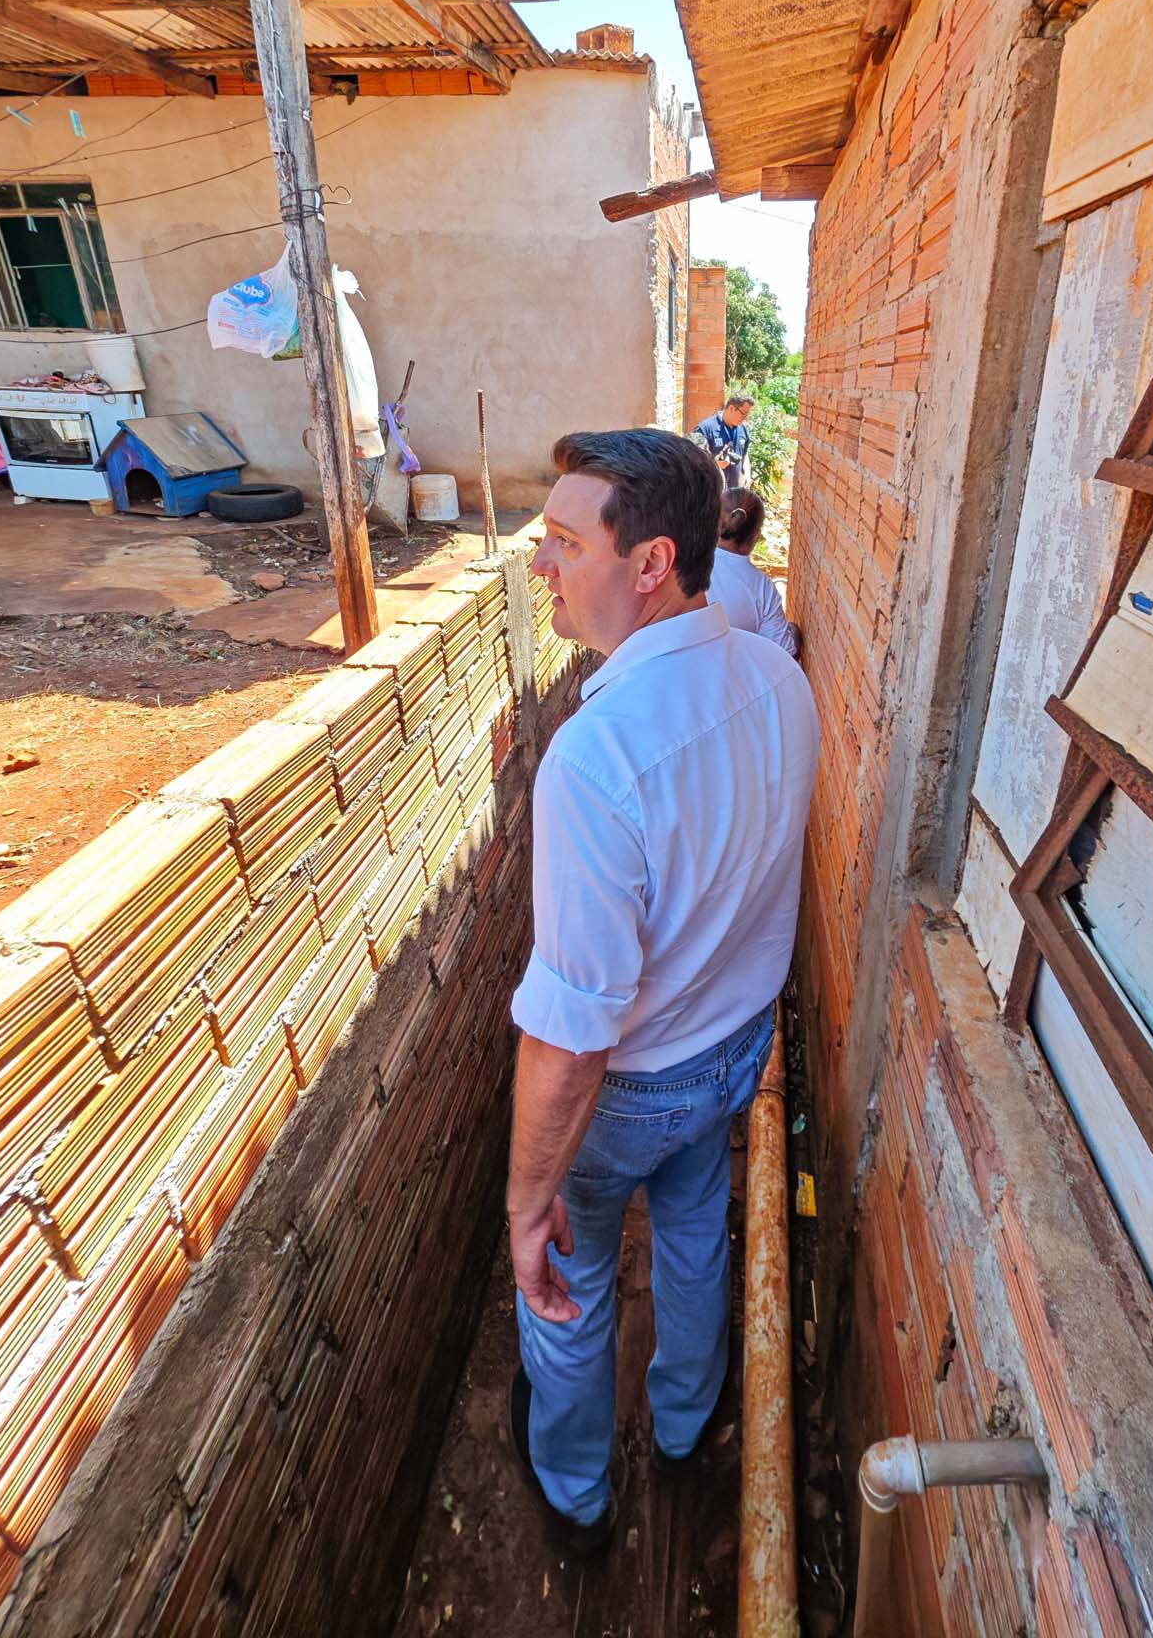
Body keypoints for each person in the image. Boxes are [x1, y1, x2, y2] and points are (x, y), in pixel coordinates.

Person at [506, 428, 819, 1552]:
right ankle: (686, 1427)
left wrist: (523, 1202)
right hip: (735, 1049)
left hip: (632, 1087)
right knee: (694, 1234)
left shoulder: (596, 757)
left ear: (649, 563)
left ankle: (578, 1494)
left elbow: (573, 1029)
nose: (540, 565)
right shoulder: (779, 678)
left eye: (560, 541)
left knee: (564, 1280)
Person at [707, 488, 800, 657]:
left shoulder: (683, 563)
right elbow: (783, 654)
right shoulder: (762, 588)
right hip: (731, 678)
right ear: (756, 538)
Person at [690, 393, 754, 489]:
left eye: (748, 414)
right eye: (744, 414)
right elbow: (692, 463)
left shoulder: (743, 429)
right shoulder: (705, 429)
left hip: (734, 495)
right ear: (732, 408)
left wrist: (747, 473)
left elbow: (745, 453)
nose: (746, 418)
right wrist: (715, 465)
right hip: (712, 493)